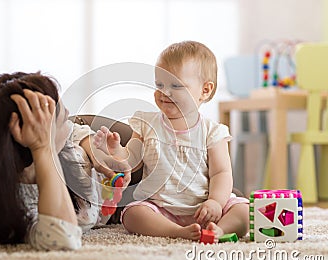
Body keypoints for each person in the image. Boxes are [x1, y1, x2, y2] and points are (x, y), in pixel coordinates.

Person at [93, 41, 249, 242]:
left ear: (205, 90)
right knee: (133, 215)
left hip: (205, 209)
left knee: (245, 211)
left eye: (176, 85)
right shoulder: (146, 123)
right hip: (161, 209)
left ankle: (217, 230)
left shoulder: (212, 132)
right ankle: (176, 232)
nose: (165, 92)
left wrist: (215, 203)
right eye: (160, 85)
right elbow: (132, 159)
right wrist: (116, 151)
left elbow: (221, 172)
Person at [0, 72, 130, 254]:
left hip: (105, 146)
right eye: (61, 118)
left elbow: (73, 128)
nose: (67, 113)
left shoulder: (64, 142)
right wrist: (42, 149)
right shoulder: (12, 203)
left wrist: (96, 155)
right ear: (34, 138)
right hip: (112, 211)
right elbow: (63, 238)